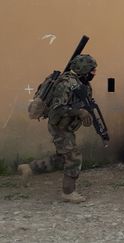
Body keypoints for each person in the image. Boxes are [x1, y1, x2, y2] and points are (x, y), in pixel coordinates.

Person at [18, 54, 97, 203]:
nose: (94, 73)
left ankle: (30, 168)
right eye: (92, 70)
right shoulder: (66, 84)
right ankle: (68, 192)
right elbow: (57, 109)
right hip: (59, 126)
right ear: (83, 69)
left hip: (66, 126)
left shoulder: (81, 82)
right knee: (74, 157)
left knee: (63, 158)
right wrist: (79, 112)